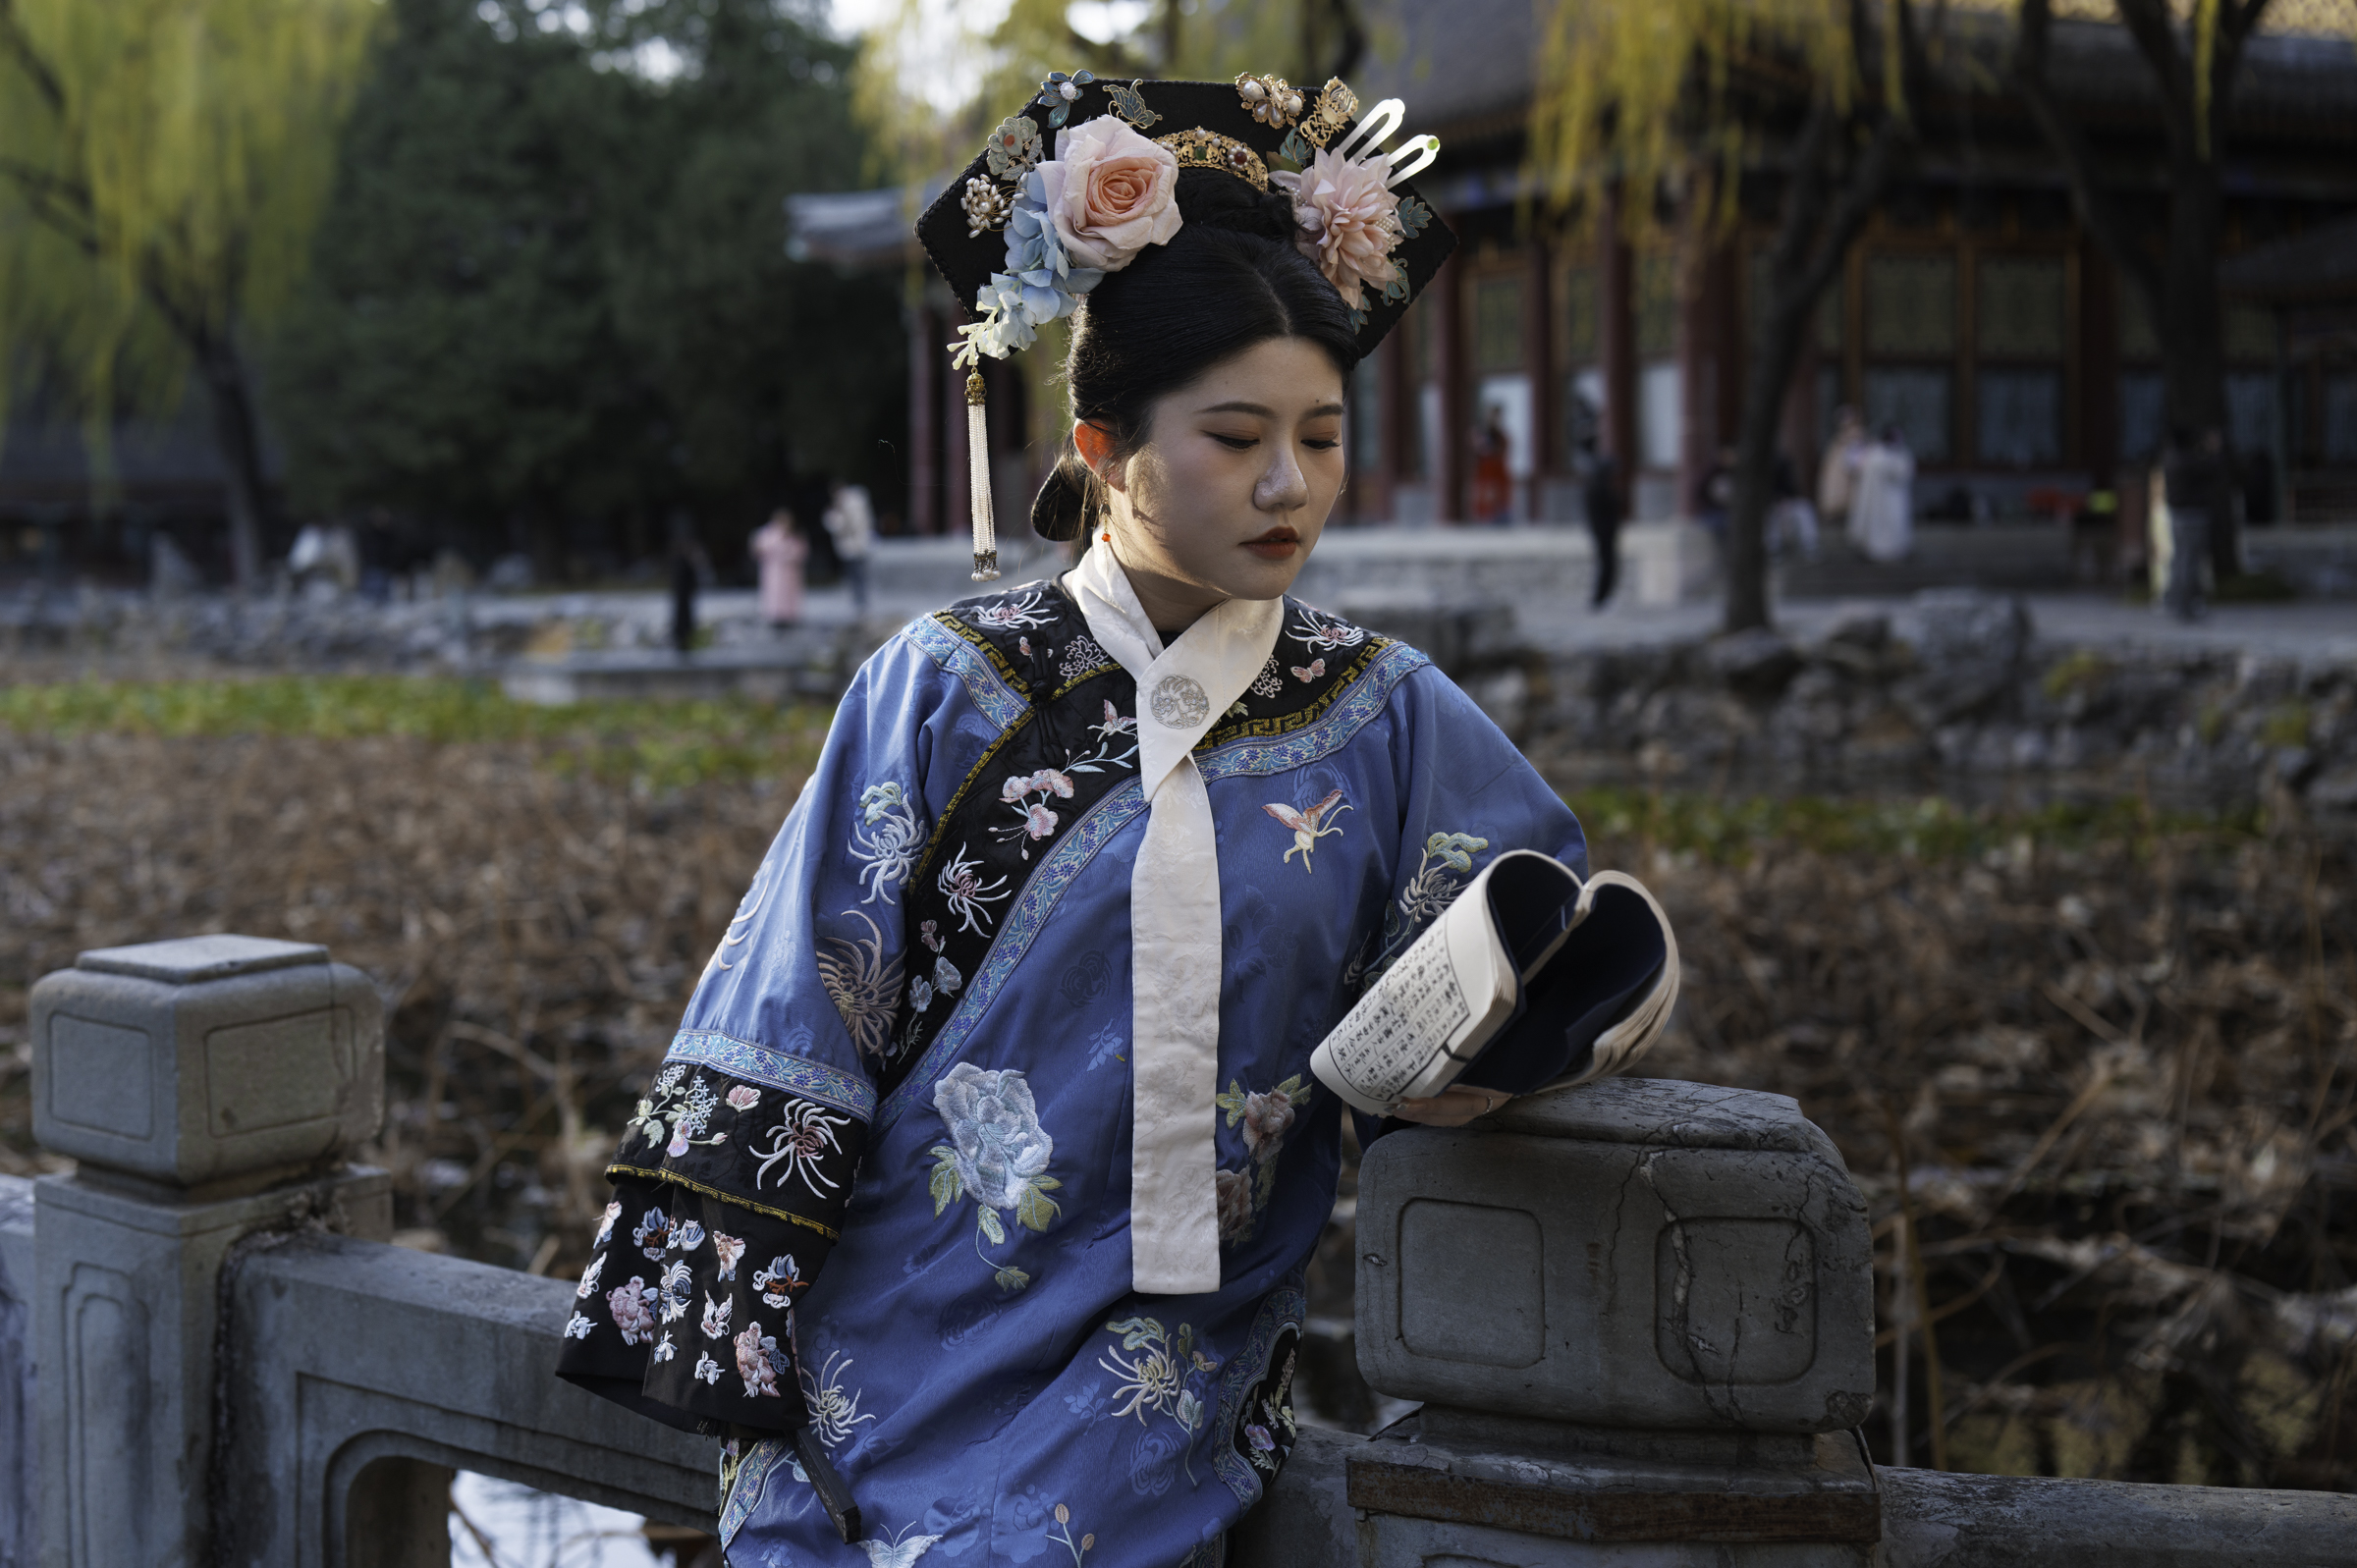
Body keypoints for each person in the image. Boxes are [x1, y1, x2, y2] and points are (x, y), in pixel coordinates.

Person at [556, 73, 1665, 1568]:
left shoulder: (1391, 712)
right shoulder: (940, 686)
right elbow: (795, 1006)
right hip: (889, 1336)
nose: (1290, 485)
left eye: (1321, 436)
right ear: (1101, 451)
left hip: (1166, 1374)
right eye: (1233, 435)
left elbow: (1521, 929)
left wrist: (1504, 1025)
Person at [2162, 425, 2228, 621]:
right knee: (2189, 562)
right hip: (2192, 516)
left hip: (2178, 515)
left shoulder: (2170, 458)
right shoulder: (2186, 460)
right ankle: (2185, 605)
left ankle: (2175, 602)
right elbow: (2213, 469)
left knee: (2180, 559)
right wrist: (2215, 449)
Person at [1849, 424, 1916, 563]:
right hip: (1878, 500)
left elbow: (1904, 473)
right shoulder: (1876, 454)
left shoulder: (1895, 454)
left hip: (1893, 499)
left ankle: (1891, 549)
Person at [1580, 436, 1623, 608]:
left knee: (1607, 564)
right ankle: (1600, 598)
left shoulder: (1596, 485)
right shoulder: (1598, 488)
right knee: (1606, 564)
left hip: (1604, 531)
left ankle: (1602, 597)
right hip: (1603, 532)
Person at [823, 481, 876, 615]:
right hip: (851, 547)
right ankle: (859, 603)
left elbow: (843, 526)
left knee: (858, 576)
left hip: (855, 546)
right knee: (855, 576)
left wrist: (839, 513)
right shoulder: (850, 504)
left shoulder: (850, 504)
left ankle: (861, 604)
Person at [750, 509, 808, 628]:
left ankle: (789, 617)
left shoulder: (794, 535)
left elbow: (801, 552)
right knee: (773, 594)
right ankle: (774, 617)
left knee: (789, 596)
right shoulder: (767, 534)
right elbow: (758, 549)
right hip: (773, 571)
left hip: (790, 572)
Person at [1818, 406, 1867, 544]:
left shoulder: (1855, 434)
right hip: (1840, 466)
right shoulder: (1843, 438)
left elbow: (1857, 452)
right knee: (1840, 491)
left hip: (1847, 467)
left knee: (1849, 494)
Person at [1470, 404, 1512, 524]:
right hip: (1487, 471)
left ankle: (1500, 516)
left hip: (1498, 471)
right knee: (1487, 496)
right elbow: (1479, 449)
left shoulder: (1500, 435)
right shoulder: (1481, 433)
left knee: (1500, 497)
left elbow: (1503, 449)